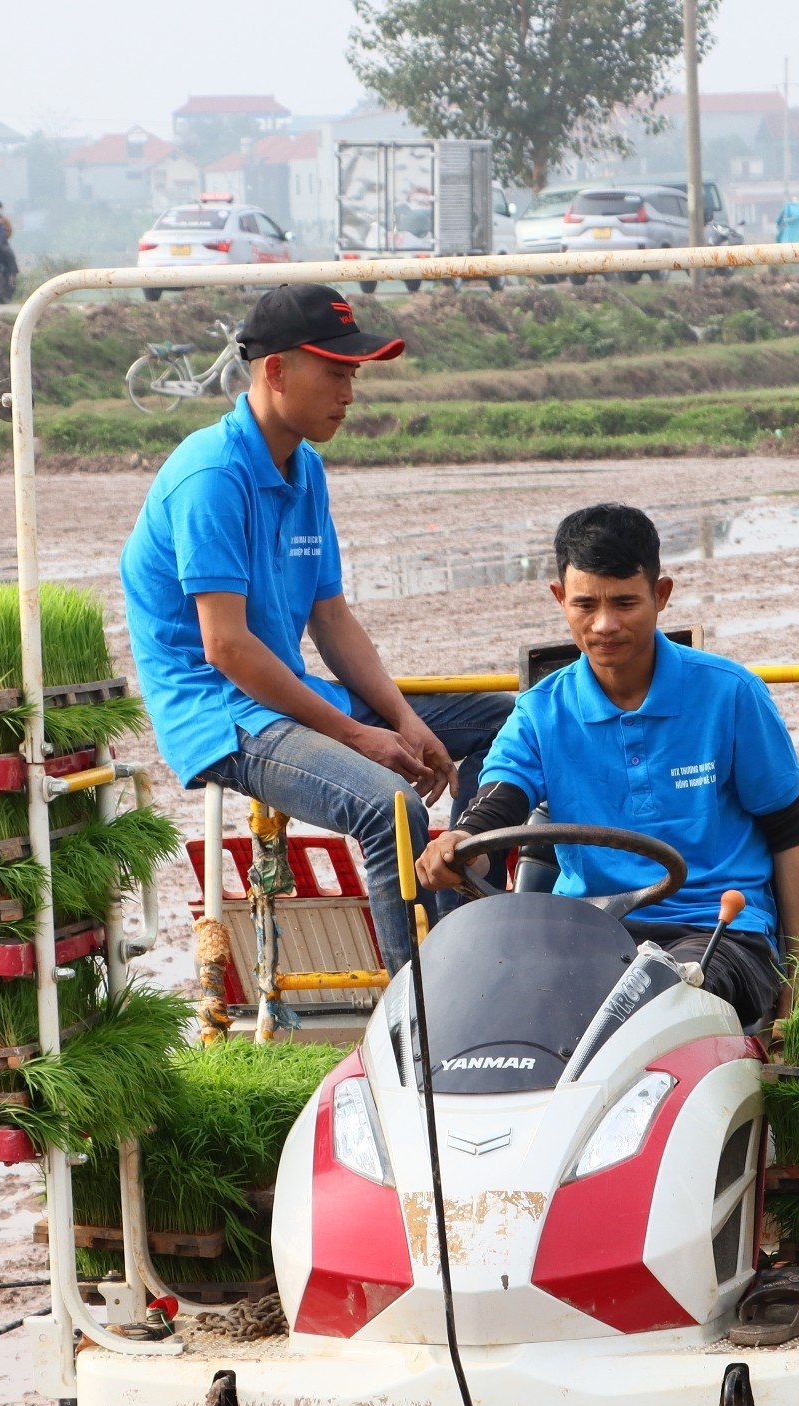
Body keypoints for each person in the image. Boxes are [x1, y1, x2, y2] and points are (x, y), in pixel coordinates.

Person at [121, 284, 512, 978]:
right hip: (223, 715)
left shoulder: (305, 470)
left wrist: (399, 718)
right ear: (276, 371)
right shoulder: (210, 474)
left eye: (352, 375)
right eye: (336, 372)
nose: (349, 393)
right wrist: (359, 735)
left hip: (289, 693)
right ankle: (417, 1007)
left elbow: (331, 618)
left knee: (506, 723)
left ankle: (459, 930)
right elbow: (227, 648)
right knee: (388, 805)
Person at [415, 504, 799, 1030]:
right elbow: (500, 799)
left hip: (720, 936)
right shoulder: (541, 712)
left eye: (625, 603)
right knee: (494, 1015)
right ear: (560, 599)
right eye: (585, 604)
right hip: (585, 938)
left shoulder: (731, 695)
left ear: (661, 595)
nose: (604, 625)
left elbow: (790, 836)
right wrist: (463, 837)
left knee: (658, 1005)